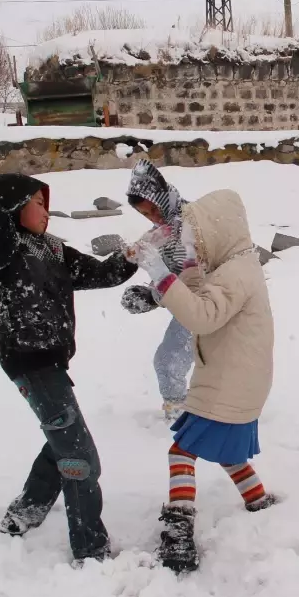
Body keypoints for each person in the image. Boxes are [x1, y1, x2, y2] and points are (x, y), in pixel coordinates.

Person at [0, 151, 138, 564]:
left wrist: (133, 256)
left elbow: (99, 274)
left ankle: (21, 516)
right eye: (37, 203)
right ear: (14, 208)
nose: (46, 210)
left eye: (46, 202)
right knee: (80, 456)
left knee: (61, 440)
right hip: (28, 360)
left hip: (52, 362)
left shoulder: (52, 249)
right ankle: (90, 550)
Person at [131, 184, 276, 574]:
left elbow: (201, 316)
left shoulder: (239, 272)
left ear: (218, 230)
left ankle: (179, 531)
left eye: (198, 237)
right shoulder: (235, 266)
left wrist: (161, 274)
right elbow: (199, 296)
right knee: (229, 452)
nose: (195, 244)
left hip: (231, 380)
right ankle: (259, 502)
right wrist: (171, 282)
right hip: (233, 378)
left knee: (181, 453)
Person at [118, 161, 196, 421]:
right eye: (145, 214)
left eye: (154, 208)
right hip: (192, 307)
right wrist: (149, 292)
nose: (153, 216)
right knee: (169, 362)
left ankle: (186, 421)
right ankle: (181, 414)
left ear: (164, 198)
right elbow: (170, 276)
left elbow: (191, 279)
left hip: (215, 304)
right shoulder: (162, 232)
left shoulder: (193, 224)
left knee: (171, 362)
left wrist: (155, 295)